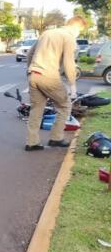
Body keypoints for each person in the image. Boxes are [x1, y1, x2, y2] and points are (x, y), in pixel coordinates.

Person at [23, 15, 86, 151]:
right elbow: (69, 62)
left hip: (33, 74)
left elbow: (30, 53)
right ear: (76, 27)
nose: (78, 34)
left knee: (36, 109)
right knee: (65, 105)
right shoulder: (68, 38)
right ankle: (56, 138)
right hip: (49, 76)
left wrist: (30, 71)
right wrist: (72, 86)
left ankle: (32, 142)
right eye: (80, 31)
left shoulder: (47, 33)